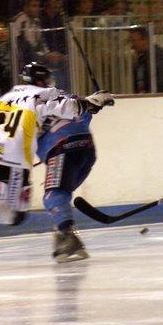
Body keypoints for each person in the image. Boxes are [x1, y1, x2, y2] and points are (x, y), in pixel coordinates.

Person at [0, 62, 114, 267]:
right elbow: (69, 107)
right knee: (15, 215)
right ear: (41, 81)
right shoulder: (44, 94)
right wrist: (92, 101)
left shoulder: (7, 96)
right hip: (14, 158)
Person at [36, 109, 98, 263]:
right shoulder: (63, 98)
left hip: (61, 148)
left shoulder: (26, 106)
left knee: (53, 195)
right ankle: (66, 236)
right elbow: (87, 111)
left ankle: (68, 237)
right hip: (87, 150)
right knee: (62, 195)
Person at [129, 26, 163, 93]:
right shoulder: (142, 58)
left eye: (134, 40)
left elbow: (161, 83)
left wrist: (151, 98)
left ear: (144, 40)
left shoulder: (158, 56)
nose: (132, 45)